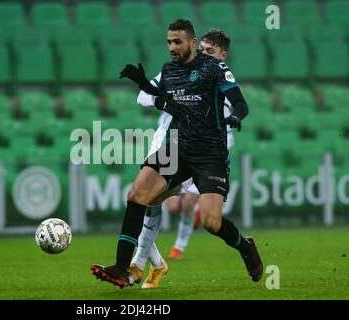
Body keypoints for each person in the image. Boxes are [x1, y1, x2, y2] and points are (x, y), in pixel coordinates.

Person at [91, 18, 263, 289]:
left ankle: (245, 246)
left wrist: (236, 117)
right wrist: (144, 85)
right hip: (178, 148)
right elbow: (166, 99)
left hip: (210, 155)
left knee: (210, 221)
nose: (172, 46)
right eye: (169, 41)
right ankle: (122, 268)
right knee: (137, 195)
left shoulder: (215, 67)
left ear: (192, 43)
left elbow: (240, 102)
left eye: (177, 41)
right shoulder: (168, 71)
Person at [128, 29, 236, 289]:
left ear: (223, 55)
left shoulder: (220, 89)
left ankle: (140, 263)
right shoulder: (180, 73)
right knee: (144, 204)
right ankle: (149, 264)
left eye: (211, 52)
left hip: (194, 154)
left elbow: (228, 133)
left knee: (150, 204)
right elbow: (143, 96)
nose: (204, 56)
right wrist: (168, 100)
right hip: (163, 146)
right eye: (203, 51)